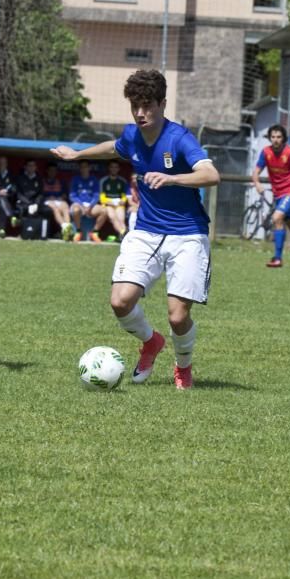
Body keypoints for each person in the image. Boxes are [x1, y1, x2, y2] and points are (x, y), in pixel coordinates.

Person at [52, 69, 220, 390]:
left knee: (177, 316)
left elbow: (211, 175)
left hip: (188, 234)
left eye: (148, 106)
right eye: (135, 106)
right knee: (120, 301)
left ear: (162, 104)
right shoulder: (132, 135)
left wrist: (173, 178)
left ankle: (183, 366)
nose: (141, 113)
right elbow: (114, 147)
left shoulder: (180, 139)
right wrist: (77, 154)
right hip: (146, 231)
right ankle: (151, 341)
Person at [251, 124, 290, 270]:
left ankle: (277, 258)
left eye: (279, 137)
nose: (275, 140)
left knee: (276, 218)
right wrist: (257, 184)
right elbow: (256, 171)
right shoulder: (266, 152)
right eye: (273, 137)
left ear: (284, 138)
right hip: (279, 195)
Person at [94, 160, 129, 241]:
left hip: (119, 203)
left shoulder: (122, 181)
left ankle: (124, 235)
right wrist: (108, 202)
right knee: (113, 217)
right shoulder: (103, 180)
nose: (114, 169)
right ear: (109, 168)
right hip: (108, 204)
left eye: (116, 167)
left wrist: (123, 200)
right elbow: (101, 197)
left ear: (119, 169)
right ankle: (124, 234)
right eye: (112, 167)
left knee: (121, 220)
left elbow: (124, 195)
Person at [68, 160, 100, 242]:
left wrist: (90, 206)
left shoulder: (94, 179)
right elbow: (72, 196)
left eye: (85, 166)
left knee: (104, 211)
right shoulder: (75, 179)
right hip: (79, 204)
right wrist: (81, 205)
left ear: (89, 168)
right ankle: (78, 232)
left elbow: (96, 196)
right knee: (75, 210)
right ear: (80, 169)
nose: (84, 168)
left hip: (90, 205)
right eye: (82, 167)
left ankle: (94, 232)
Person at [41, 162, 73, 240]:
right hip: (47, 201)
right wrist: (48, 197)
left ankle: (67, 228)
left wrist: (60, 197)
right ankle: (65, 228)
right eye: (51, 170)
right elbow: (40, 195)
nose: (52, 172)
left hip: (58, 200)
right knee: (55, 208)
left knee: (65, 205)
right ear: (47, 171)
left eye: (54, 171)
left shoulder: (61, 182)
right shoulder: (42, 181)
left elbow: (65, 195)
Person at [0, 154, 16, 237]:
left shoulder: (11, 175)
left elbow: (14, 187)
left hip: (8, 199)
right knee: (1, 199)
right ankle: (12, 216)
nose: (2, 165)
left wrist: (7, 191)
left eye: (4, 163)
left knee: (2, 204)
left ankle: (2, 230)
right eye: (0, 163)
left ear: (6, 164)